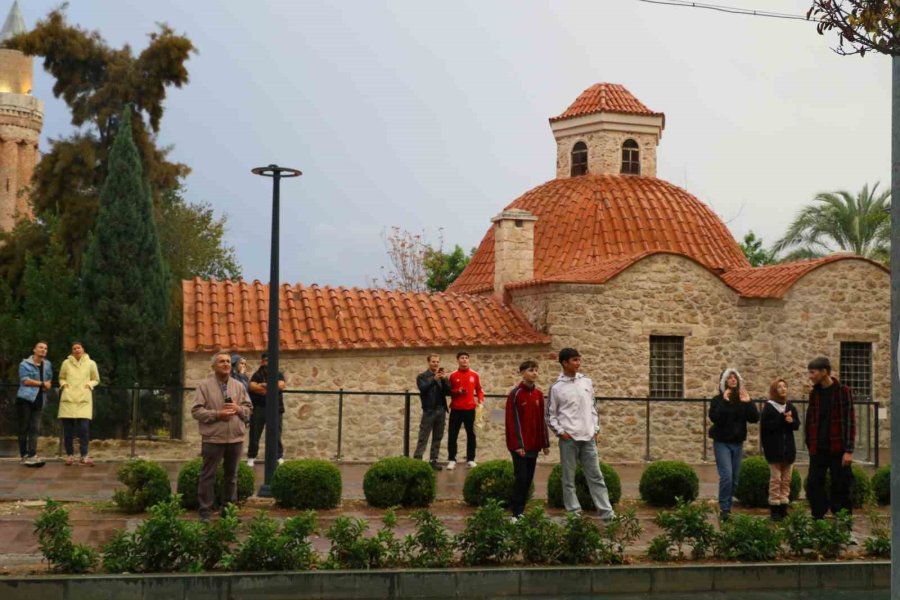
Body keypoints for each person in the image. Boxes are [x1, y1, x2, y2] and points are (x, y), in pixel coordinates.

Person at [546, 348, 615, 521]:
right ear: (564, 363)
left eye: (579, 360)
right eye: (574, 360)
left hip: (588, 438)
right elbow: (550, 415)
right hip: (569, 440)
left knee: (596, 477)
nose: (578, 363)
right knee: (568, 479)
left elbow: (593, 407)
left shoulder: (586, 382)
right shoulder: (556, 388)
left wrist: (596, 429)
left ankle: (608, 515)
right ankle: (574, 515)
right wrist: (562, 433)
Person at [191, 350, 253, 521]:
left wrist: (238, 408)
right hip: (213, 438)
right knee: (207, 476)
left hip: (235, 438)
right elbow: (196, 411)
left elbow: (249, 410)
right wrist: (218, 414)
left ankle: (229, 511)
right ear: (213, 366)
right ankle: (205, 512)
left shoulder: (239, 386)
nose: (226, 364)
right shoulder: (204, 386)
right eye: (221, 362)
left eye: (227, 361)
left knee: (231, 476)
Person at [805, 356, 856, 520]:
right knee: (813, 484)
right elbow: (810, 419)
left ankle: (843, 522)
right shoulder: (815, 394)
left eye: (813, 372)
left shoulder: (843, 391)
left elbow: (849, 421)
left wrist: (848, 450)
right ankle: (818, 518)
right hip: (818, 449)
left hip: (838, 449)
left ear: (824, 372)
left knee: (841, 486)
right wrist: (809, 443)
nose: (810, 376)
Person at [709, 368, 759, 521]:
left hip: (737, 443)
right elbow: (715, 418)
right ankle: (725, 508)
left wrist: (749, 402)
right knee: (727, 476)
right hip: (722, 443)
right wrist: (724, 401)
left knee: (735, 479)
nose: (732, 380)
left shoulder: (742, 400)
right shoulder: (717, 400)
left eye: (734, 378)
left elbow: (754, 418)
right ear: (724, 381)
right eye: (729, 378)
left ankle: (727, 505)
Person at [505, 360, 550, 521]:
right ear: (522, 373)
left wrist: (544, 443)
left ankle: (520, 510)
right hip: (519, 447)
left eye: (536, 370)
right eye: (531, 370)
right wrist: (518, 445)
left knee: (528, 480)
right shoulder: (515, 394)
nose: (535, 373)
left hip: (534, 446)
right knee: (521, 478)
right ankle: (515, 514)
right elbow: (512, 421)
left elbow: (541, 420)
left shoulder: (538, 395)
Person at [760, 378, 799, 521]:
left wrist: (791, 421)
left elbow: (796, 425)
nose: (783, 389)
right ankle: (774, 509)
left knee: (786, 480)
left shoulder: (790, 407)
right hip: (774, 450)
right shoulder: (769, 407)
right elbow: (766, 427)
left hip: (788, 449)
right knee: (776, 480)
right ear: (774, 390)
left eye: (785, 386)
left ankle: (783, 507)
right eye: (779, 387)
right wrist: (781, 420)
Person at [57, 342, 101, 466]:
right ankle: (70, 455)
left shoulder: (91, 363)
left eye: (79, 348)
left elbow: (96, 379)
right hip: (68, 399)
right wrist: (64, 385)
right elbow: (61, 377)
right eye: (74, 348)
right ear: (72, 351)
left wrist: (89, 385)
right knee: (68, 431)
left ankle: (84, 455)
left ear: (83, 349)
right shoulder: (66, 363)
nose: (76, 350)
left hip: (83, 399)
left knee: (84, 430)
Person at [247, 352, 286, 467]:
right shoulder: (257, 374)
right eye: (266, 360)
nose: (268, 362)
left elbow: (281, 385)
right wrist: (270, 387)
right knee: (255, 434)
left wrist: (265, 386)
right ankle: (251, 456)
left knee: (276, 433)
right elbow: (251, 386)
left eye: (271, 360)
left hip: (276, 408)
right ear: (263, 361)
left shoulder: (278, 374)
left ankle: (278, 456)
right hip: (259, 408)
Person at [16, 341, 52, 467]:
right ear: (34, 350)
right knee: (24, 428)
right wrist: (42, 384)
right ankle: (23, 455)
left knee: (35, 429)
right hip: (25, 399)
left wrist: (48, 384)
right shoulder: (24, 364)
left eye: (46, 348)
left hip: (40, 399)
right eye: (41, 347)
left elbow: (49, 379)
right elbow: (25, 381)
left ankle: (32, 454)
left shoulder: (47, 364)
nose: (43, 350)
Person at [446, 350, 484, 470]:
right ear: (458, 360)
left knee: (471, 435)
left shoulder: (474, 375)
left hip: (470, 409)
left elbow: (479, 390)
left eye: (466, 358)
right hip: (456, 409)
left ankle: (471, 459)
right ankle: (452, 459)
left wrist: (480, 400)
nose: (464, 360)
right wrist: (457, 391)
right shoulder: (452, 375)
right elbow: (448, 391)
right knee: (452, 435)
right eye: (462, 358)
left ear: (469, 360)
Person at [414, 354, 450, 470]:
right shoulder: (422, 376)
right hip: (429, 410)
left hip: (441, 410)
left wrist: (444, 380)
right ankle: (417, 460)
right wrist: (434, 380)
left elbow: (448, 392)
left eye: (437, 362)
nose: (435, 364)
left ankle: (433, 460)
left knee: (437, 437)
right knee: (423, 436)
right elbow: (423, 389)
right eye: (433, 362)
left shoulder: (441, 376)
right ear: (428, 362)